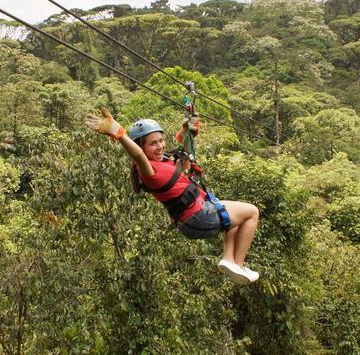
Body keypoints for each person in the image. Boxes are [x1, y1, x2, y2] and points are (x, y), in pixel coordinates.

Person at [85, 109, 260, 285]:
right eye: (153, 144)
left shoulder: (165, 161)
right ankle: (239, 264)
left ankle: (229, 259)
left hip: (191, 220)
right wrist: (119, 133)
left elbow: (184, 155)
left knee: (234, 219)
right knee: (252, 212)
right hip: (199, 216)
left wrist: (188, 129)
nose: (160, 146)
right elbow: (137, 156)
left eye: (161, 140)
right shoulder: (148, 170)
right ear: (141, 146)